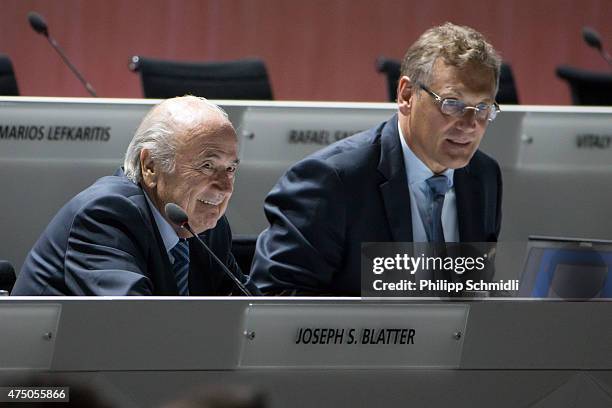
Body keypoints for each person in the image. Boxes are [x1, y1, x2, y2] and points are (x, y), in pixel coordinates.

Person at [251, 23, 503, 295]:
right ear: (406, 95)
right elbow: (274, 301)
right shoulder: (332, 181)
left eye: (482, 108)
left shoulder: (483, 176)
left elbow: (475, 292)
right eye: (452, 103)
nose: (469, 125)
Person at [12, 96, 258, 296]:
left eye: (231, 169)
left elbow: (253, 315)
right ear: (150, 166)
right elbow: (137, 327)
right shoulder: (106, 216)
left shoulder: (207, 228)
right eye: (207, 166)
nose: (224, 187)